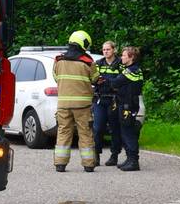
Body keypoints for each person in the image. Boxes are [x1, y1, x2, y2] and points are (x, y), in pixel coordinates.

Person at [52, 30, 100, 172]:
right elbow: (95, 79)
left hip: (63, 105)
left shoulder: (59, 60)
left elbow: (56, 78)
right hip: (82, 106)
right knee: (85, 133)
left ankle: (60, 164)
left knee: (63, 132)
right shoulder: (88, 62)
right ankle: (88, 164)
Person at [92, 41, 125, 166]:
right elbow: (93, 79)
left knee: (115, 129)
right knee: (98, 128)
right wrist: (97, 81)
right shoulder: (98, 63)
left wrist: (106, 80)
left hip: (114, 100)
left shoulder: (120, 64)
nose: (105, 52)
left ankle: (114, 155)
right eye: (104, 49)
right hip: (100, 99)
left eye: (108, 49)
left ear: (114, 50)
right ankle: (96, 155)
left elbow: (121, 81)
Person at [115, 46, 145, 171]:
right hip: (127, 103)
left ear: (131, 57)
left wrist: (104, 80)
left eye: (124, 55)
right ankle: (129, 159)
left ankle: (133, 161)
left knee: (129, 133)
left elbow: (115, 83)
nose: (121, 57)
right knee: (125, 131)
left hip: (129, 104)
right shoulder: (132, 69)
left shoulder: (131, 71)